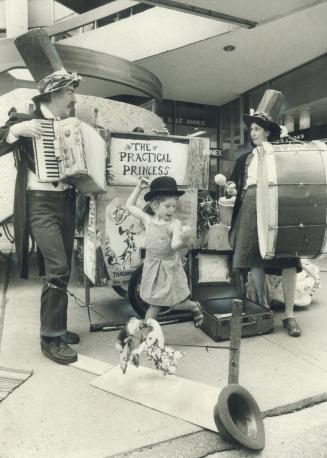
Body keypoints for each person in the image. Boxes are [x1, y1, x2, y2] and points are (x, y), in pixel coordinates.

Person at [0, 69, 82, 364]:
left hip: (66, 201)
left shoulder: (69, 125)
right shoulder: (25, 121)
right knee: (58, 267)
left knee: (63, 266)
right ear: (55, 94)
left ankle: (57, 327)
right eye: (70, 92)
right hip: (40, 203)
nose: (73, 97)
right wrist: (13, 132)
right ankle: (50, 337)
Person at [227, 108, 302, 337]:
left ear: (268, 132)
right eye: (251, 129)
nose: (252, 133)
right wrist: (231, 186)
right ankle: (263, 308)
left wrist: (286, 137)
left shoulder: (282, 152)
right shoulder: (244, 158)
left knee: (288, 258)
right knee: (254, 257)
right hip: (250, 204)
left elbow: (297, 165)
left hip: (278, 204)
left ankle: (289, 315)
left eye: (257, 129)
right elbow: (233, 182)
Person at [126, 176, 204, 325]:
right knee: (154, 303)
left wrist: (184, 239)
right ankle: (149, 335)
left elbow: (175, 246)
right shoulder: (148, 220)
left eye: (174, 206)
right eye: (168, 206)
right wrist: (138, 188)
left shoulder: (174, 224)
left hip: (168, 269)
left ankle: (194, 306)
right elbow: (129, 206)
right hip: (152, 267)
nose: (172, 210)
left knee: (172, 304)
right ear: (155, 205)